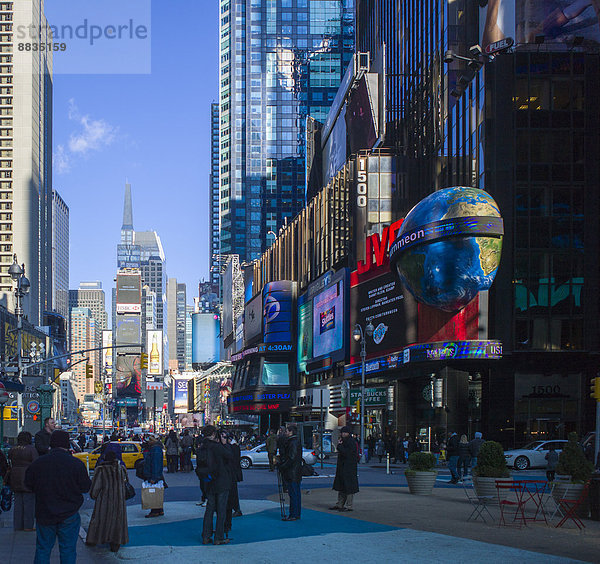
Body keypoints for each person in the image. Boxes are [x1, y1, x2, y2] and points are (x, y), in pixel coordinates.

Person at [25, 430, 91, 564]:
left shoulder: (38, 463)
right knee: (68, 550)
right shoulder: (76, 464)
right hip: (69, 513)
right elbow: (85, 487)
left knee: (43, 549)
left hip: (45, 511)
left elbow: (28, 484)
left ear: (51, 443)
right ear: (67, 444)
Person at [86, 450, 129, 553]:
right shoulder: (121, 468)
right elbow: (126, 482)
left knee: (100, 519)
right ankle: (115, 543)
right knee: (117, 521)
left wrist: (94, 495)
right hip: (119, 500)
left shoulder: (101, 470)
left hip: (104, 500)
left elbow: (95, 489)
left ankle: (94, 539)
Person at [202, 425, 234, 545]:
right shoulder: (216, 447)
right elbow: (230, 456)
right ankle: (219, 537)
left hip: (208, 481)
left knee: (209, 509)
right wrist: (225, 443)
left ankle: (206, 535)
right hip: (221, 480)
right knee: (221, 510)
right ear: (214, 434)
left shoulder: (201, 446)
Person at [7, 431, 38, 531]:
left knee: (18, 502)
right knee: (29, 502)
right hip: (27, 475)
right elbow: (35, 463)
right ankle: (28, 525)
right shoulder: (31, 449)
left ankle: (18, 525)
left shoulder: (13, 449)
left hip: (15, 476)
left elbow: (9, 461)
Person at [330, 426, 359, 512]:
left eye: (344, 433)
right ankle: (340, 504)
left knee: (347, 486)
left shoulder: (350, 442)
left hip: (348, 468)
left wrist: (339, 446)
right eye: (342, 432)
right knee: (343, 486)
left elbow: (347, 454)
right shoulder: (348, 441)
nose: (343, 434)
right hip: (345, 467)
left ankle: (348, 505)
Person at [277, 424, 302, 521]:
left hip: (292, 472)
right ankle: (296, 513)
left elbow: (291, 458)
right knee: (296, 493)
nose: (285, 433)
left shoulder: (292, 443)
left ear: (291, 432)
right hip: (295, 472)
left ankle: (293, 514)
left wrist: (282, 466)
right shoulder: (295, 442)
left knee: (293, 494)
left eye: (287, 431)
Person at [142, 436, 166, 518]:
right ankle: (159, 509)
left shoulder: (155, 449)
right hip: (155, 474)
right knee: (157, 491)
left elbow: (155, 464)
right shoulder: (156, 448)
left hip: (153, 474)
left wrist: (154, 477)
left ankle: (155, 510)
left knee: (153, 492)